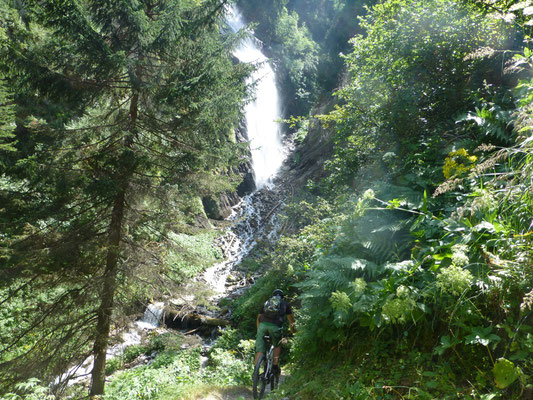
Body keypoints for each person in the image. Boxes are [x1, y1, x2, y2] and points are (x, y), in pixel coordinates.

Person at [254, 289, 295, 374]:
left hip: (262, 325)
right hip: (275, 326)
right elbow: (291, 320)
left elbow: (258, 318)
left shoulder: (267, 302)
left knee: (260, 350)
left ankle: (255, 372)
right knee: (277, 345)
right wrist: (292, 331)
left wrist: (259, 330)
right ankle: (275, 366)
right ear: (282, 297)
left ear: (273, 295)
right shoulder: (285, 304)